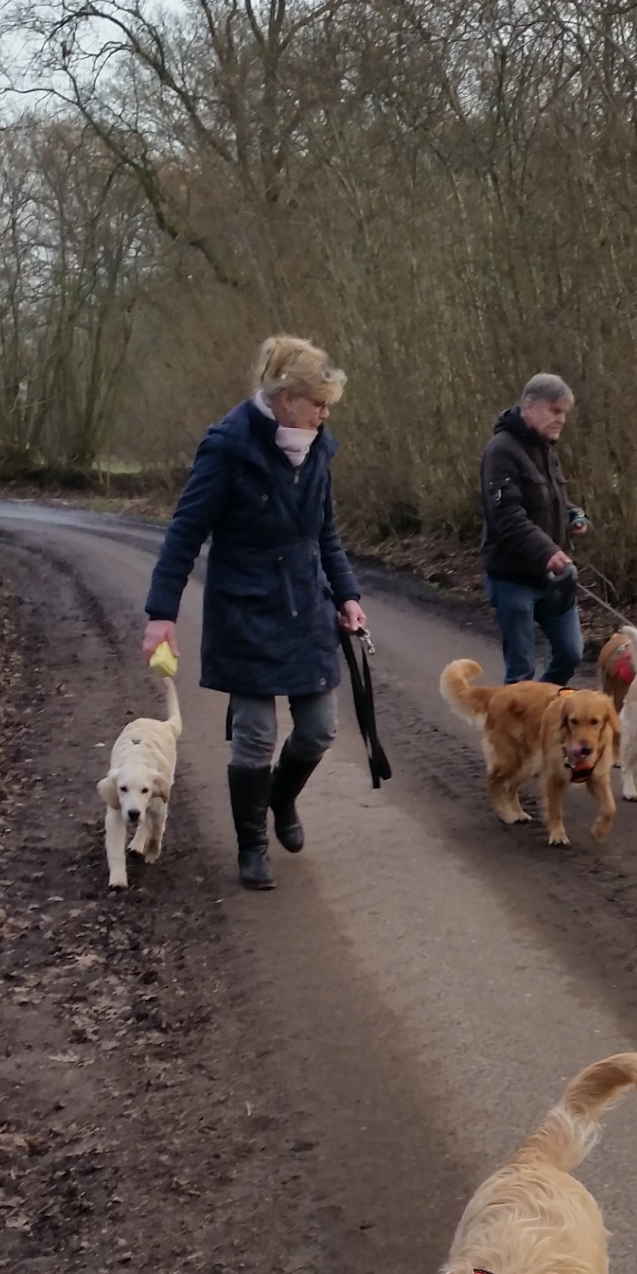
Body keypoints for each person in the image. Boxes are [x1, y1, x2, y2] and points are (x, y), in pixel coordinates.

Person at [141, 334, 368, 891]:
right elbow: (185, 533)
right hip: (245, 608)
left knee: (319, 729)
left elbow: (326, 534)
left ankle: (280, 799)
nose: (325, 413)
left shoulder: (318, 448)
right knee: (255, 735)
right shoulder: (228, 446)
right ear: (286, 398)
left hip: (307, 605)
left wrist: (348, 595)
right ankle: (252, 846)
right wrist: (161, 614)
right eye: (318, 402)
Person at [480, 372, 588, 686]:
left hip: (553, 580)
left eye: (564, 413)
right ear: (529, 406)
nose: (561, 419)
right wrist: (549, 551)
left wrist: (573, 514)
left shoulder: (546, 451)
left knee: (571, 653)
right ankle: (521, 715)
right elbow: (507, 516)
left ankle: (540, 707)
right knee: (521, 671)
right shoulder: (501, 450)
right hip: (512, 580)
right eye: (554, 410)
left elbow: (550, 501)